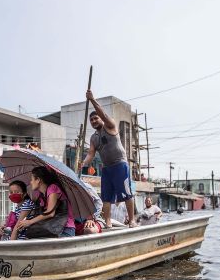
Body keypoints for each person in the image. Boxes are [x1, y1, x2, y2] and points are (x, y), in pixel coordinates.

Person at [79, 89, 136, 228]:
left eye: (95, 118)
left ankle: (132, 220)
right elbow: (91, 153)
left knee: (126, 193)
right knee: (106, 196)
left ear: (100, 118)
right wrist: (84, 163)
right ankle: (108, 222)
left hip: (120, 164)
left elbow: (103, 114)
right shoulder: (93, 138)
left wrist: (92, 99)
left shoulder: (110, 125)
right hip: (106, 168)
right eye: (91, 120)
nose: (94, 121)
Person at [14, 166, 76, 238]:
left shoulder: (53, 188)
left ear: (38, 180)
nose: (31, 182)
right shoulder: (41, 195)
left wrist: (30, 222)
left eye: (32, 179)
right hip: (53, 229)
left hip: (65, 229)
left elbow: (50, 213)